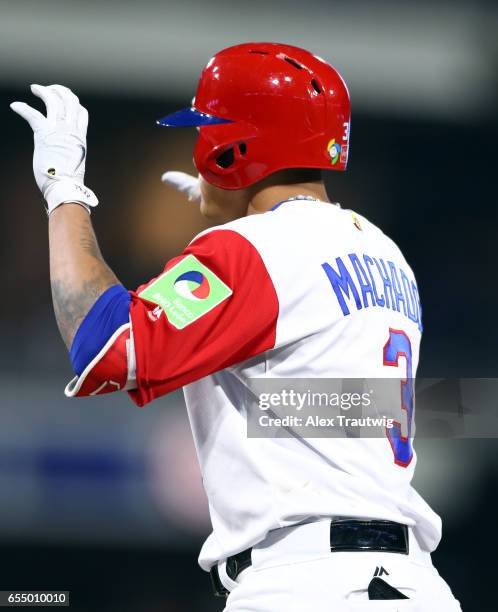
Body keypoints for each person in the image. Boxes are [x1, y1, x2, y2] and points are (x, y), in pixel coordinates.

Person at [11, 42, 461, 611]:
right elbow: (342, 410)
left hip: (305, 583)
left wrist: (63, 192)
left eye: (207, 130)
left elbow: (104, 347)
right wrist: (236, 217)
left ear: (233, 148)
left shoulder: (254, 249)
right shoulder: (383, 252)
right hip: (413, 587)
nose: (198, 146)